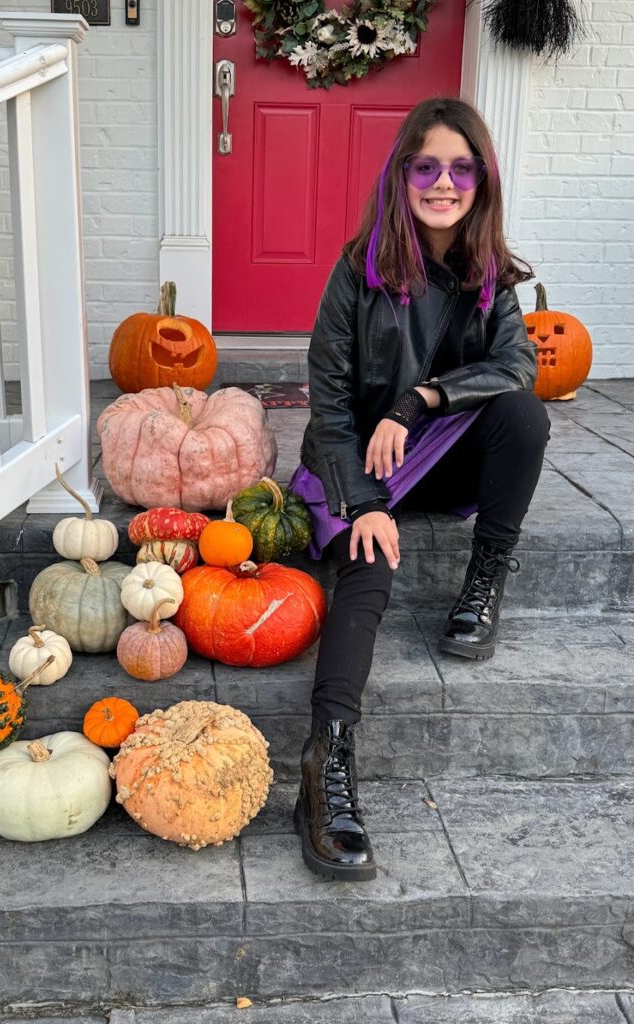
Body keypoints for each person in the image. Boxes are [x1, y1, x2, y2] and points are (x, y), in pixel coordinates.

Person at [289, 97, 550, 882]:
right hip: (355, 465)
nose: (443, 183)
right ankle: (324, 766)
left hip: (436, 452)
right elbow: (330, 407)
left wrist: (420, 400)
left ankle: (481, 584)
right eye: (426, 166)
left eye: (460, 167)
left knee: (522, 416)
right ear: (401, 175)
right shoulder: (356, 270)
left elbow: (515, 366)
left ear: (481, 179)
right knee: (367, 566)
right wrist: (364, 499)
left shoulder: (490, 274)